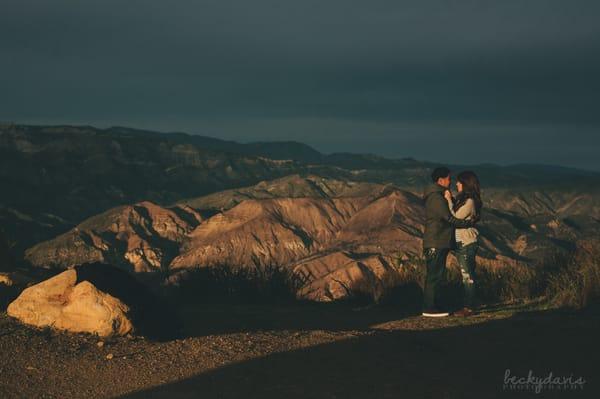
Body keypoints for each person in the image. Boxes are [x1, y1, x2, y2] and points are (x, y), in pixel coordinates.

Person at [422, 167, 476, 317]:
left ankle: (434, 305)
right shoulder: (436, 197)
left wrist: (449, 198)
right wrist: (468, 223)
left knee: (437, 275)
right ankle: (429, 308)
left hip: (439, 241)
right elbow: (449, 218)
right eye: (448, 178)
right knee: (434, 276)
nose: (450, 181)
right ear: (440, 180)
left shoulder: (438, 195)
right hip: (437, 241)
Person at [444, 171, 482, 317]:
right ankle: (470, 304)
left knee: (467, 276)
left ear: (466, 184)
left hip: (466, 242)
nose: (457, 184)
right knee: (467, 274)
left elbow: (455, 217)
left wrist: (448, 200)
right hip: (462, 241)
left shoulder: (470, 201)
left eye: (460, 182)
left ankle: (469, 308)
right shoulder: (465, 200)